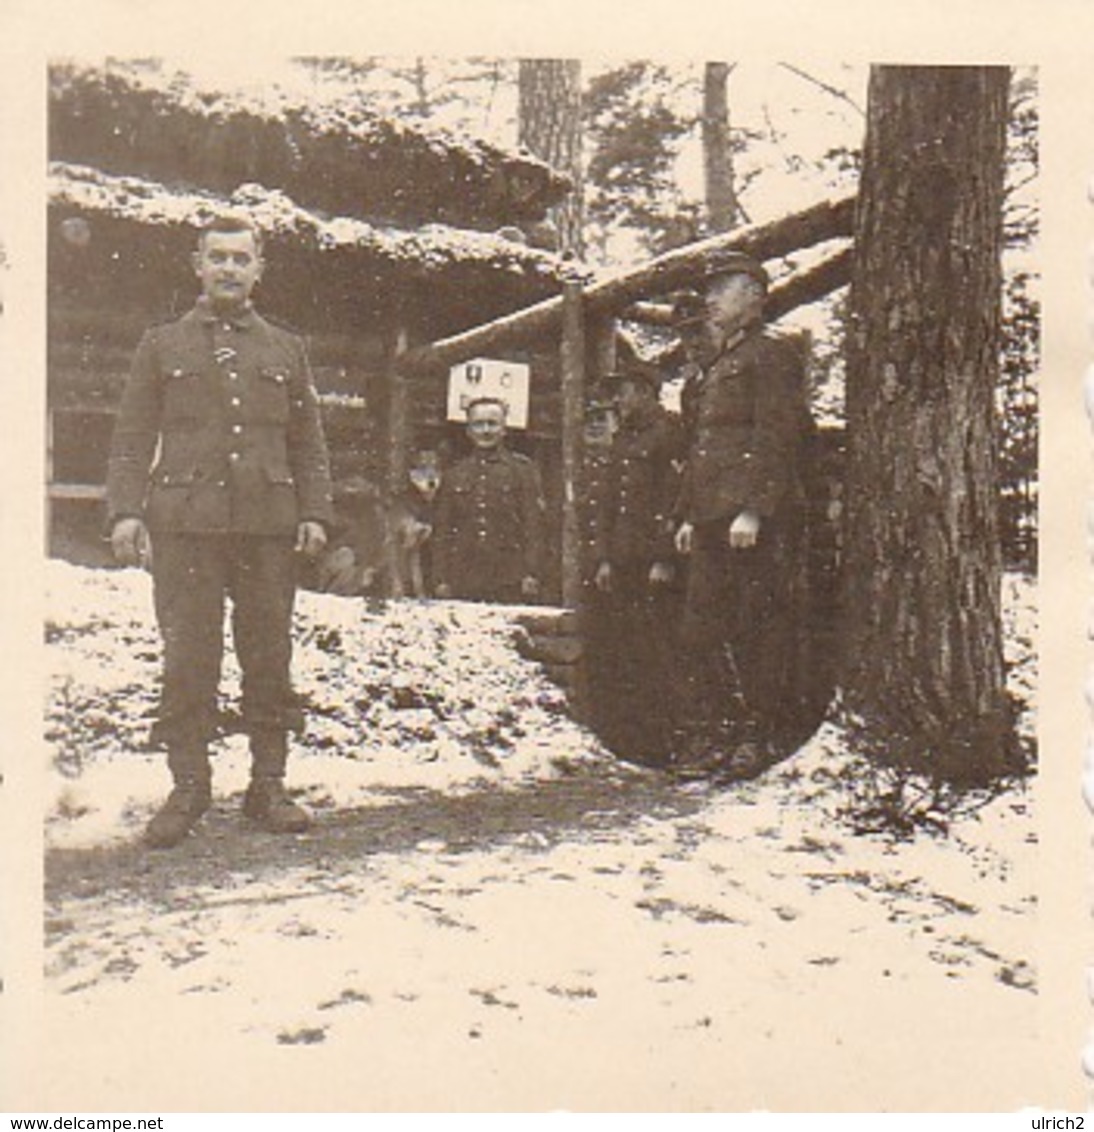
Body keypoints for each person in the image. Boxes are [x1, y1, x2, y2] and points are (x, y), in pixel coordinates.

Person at [106, 214, 335, 847]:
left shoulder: (286, 349)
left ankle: (268, 785)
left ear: (259, 268)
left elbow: (308, 444)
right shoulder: (161, 345)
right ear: (198, 266)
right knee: (188, 657)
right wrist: (126, 511)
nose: (230, 268)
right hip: (185, 525)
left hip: (267, 526)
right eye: (218, 258)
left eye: (241, 258)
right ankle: (189, 786)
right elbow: (131, 438)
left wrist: (315, 511)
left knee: (268, 656)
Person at [670, 252, 811, 778]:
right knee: (701, 629)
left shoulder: (770, 354)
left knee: (756, 627)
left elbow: (776, 436)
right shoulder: (718, 364)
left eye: (724, 288)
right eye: (709, 289)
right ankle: (716, 736)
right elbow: (704, 446)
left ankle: (758, 737)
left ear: (755, 297)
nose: (710, 298)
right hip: (710, 519)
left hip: (750, 522)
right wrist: (689, 514)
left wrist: (753, 509)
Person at [585, 361, 684, 765]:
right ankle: (630, 739)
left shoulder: (670, 434)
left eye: (623, 392)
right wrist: (605, 558)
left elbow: (674, 498)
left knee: (657, 648)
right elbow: (611, 503)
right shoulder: (623, 438)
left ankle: (663, 741)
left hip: (653, 564)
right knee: (625, 646)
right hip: (624, 561)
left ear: (644, 392)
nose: (618, 401)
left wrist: (665, 558)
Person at [431, 397, 545, 603]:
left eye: (492, 424)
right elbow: (443, 529)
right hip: (464, 576)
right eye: (478, 424)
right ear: (469, 431)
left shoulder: (521, 471)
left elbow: (533, 526)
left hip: (509, 576)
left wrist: (531, 572)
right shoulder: (455, 473)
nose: (485, 430)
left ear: (504, 429)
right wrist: (441, 578)